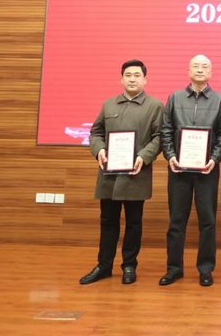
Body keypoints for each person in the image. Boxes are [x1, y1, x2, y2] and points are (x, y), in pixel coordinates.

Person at [81, 59, 164, 285]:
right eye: (128, 75)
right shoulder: (109, 105)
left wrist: (143, 156)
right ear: (121, 79)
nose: (132, 79)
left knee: (134, 223)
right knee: (108, 221)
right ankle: (104, 265)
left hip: (136, 174)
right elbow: (95, 132)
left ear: (145, 80)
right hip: (109, 175)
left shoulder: (155, 106)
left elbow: (159, 137)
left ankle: (129, 265)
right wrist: (99, 150)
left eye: (137, 75)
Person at [159, 55, 221, 286]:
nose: (200, 70)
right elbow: (166, 130)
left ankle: (205, 269)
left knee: (207, 220)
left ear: (211, 72)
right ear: (189, 70)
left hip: (207, 170)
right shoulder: (175, 97)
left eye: (204, 66)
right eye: (196, 66)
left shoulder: (220, 100)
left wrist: (214, 159)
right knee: (176, 220)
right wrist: (170, 156)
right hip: (178, 170)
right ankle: (174, 268)